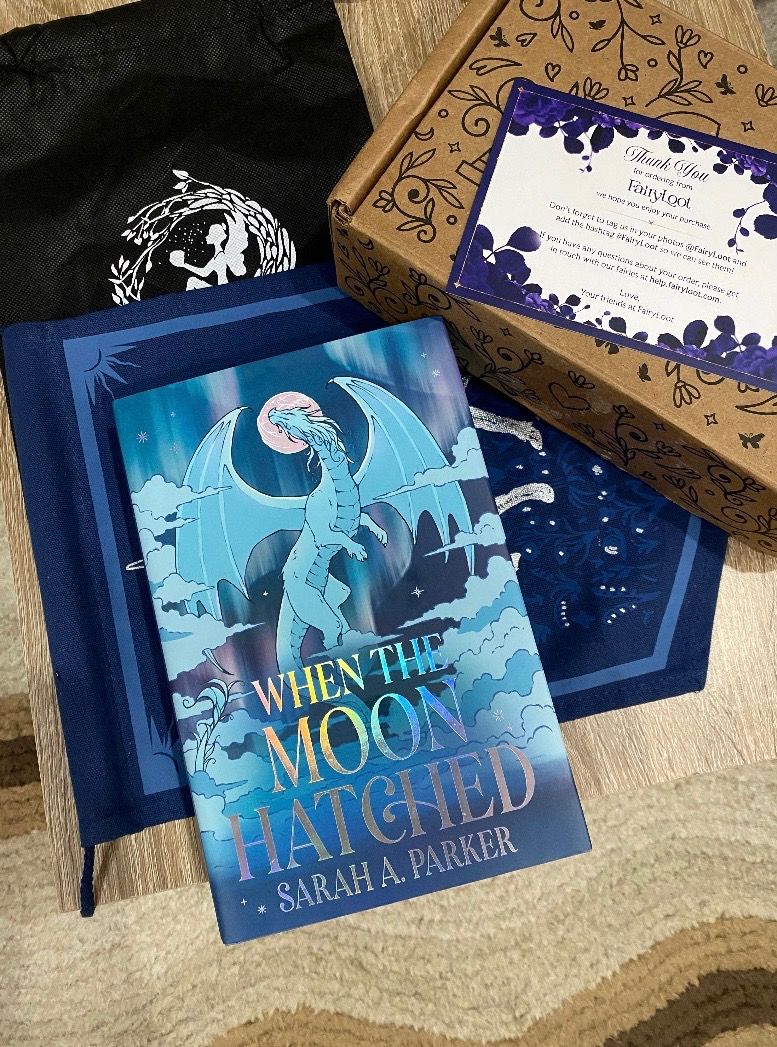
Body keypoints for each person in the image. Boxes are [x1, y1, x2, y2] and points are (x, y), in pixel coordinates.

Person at [169, 211, 248, 288]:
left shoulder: (220, 256)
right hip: (221, 288)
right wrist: (184, 265)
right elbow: (204, 272)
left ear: (216, 237)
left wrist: (184, 265)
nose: (207, 236)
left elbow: (204, 273)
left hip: (223, 289)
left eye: (210, 233)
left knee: (192, 281)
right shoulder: (217, 255)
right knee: (192, 280)